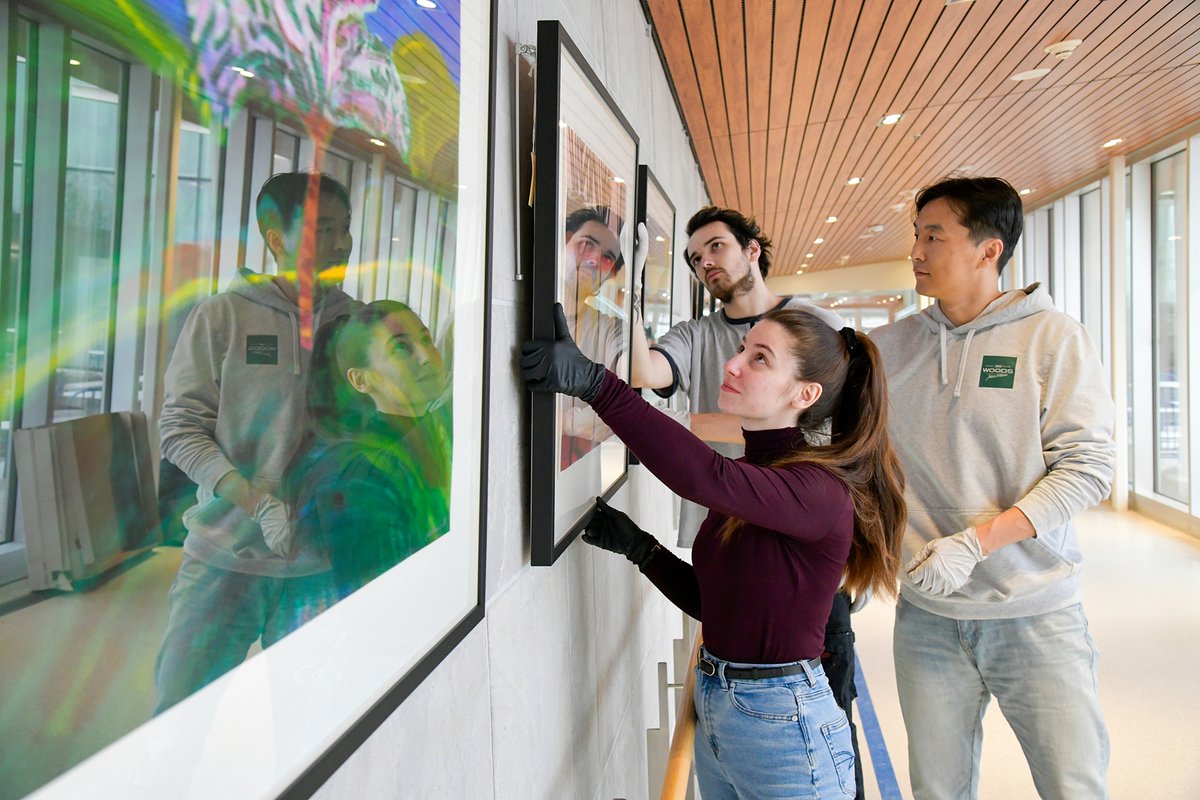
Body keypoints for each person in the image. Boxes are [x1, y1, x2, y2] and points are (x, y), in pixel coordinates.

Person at [521, 303, 906, 799]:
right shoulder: (758, 477)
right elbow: (717, 607)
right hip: (722, 710)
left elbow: (704, 475)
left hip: (787, 729)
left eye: (760, 359)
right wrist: (641, 549)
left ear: (805, 394)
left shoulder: (817, 490)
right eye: (743, 349)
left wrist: (598, 385)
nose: (733, 363)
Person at [871, 176, 1115, 799]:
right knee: (937, 790)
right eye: (916, 235)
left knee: (1072, 786)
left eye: (935, 236)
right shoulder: (891, 347)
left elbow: (1087, 469)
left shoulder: (1051, 338)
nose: (917, 252)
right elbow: (833, 439)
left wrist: (977, 543)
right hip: (927, 617)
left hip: (1035, 610)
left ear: (989, 250)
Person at [628, 205, 868, 798]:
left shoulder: (812, 328)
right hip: (726, 686)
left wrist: (688, 426)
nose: (705, 263)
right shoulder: (698, 334)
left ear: (752, 248)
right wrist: (627, 280)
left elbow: (823, 438)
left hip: (796, 649)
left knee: (835, 728)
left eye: (715, 247)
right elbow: (641, 371)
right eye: (694, 257)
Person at [153, 172, 360, 714]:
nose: (342, 243)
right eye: (325, 229)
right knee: (178, 722)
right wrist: (256, 501)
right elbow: (179, 428)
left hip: (316, 573)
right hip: (223, 562)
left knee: (307, 737)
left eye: (346, 228)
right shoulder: (223, 316)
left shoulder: (357, 325)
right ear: (276, 240)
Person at [285, 301, 451, 599]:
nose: (427, 356)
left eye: (426, 339)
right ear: (361, 380)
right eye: (402, 348)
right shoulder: (359, 474)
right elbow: (379, 599)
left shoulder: (445, 433)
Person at [559, 205, 628, 468]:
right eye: (587, 244)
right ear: (565, 241)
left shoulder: (611, 330)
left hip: (575, 482)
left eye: (607, 257)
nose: (593, 260)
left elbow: (618, 409)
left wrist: (559, 420)